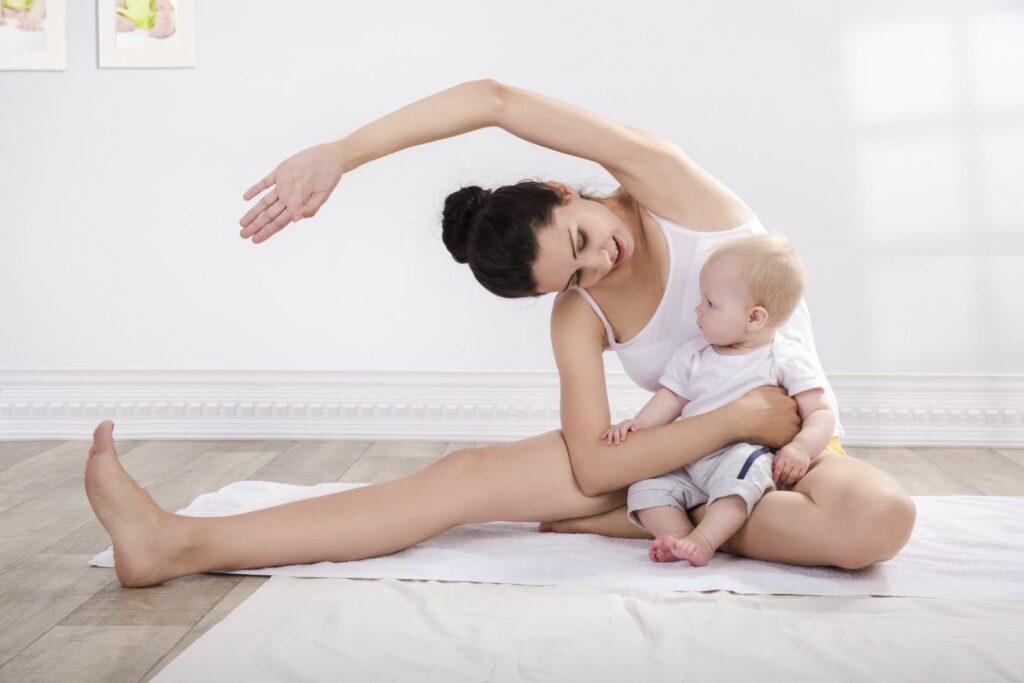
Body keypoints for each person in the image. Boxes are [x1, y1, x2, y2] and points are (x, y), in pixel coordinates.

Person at [84, 80, 916, 588]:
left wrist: (343, 151)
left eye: (582, 238)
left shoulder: (666, 185)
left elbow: (493, 100)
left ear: (567, 189)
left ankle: (647, 520)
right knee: (465, 475)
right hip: (683, 449)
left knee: (879, 522)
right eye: (576, 274)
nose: (600, 262)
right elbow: (594, 461)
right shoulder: (577, 311)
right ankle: (173, 543)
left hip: (784, 453)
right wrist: (734, 421)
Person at [602, 233, 835, 567]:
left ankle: (705, 539)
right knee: (645, 487)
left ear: (754, 318)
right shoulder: (693, 355)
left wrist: (801, 448)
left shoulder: (783, 358)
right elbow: (669, 399)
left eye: (710, 304)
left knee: (739, 479)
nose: (698, 310)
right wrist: (638, 424)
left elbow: (820, 413)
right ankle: (677, 537)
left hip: (741, 454)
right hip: (690, 454)